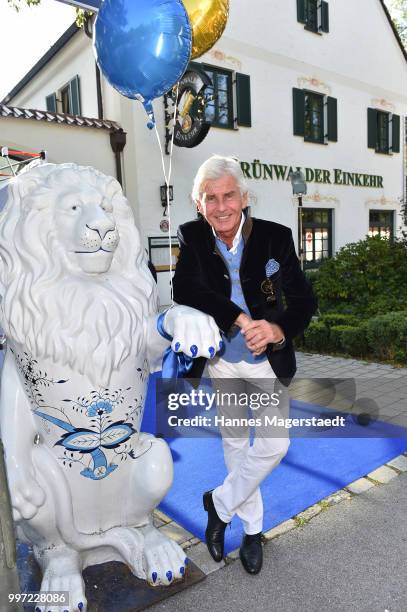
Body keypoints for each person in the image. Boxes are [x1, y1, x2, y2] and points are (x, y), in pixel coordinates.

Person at [172, 155, 317, 574]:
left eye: (228, 195)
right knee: (235, 445)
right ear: (198, 203)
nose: (220, 206)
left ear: (244, 196)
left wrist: (276, 329)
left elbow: (304, 301)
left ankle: (219, 504)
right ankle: (252, 529)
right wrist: (238, 318)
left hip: (265, 363)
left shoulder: (276, 238)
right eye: (210, 198)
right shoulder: (193, 236)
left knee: (274, 444)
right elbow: (185, 288)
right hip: (221, 363)